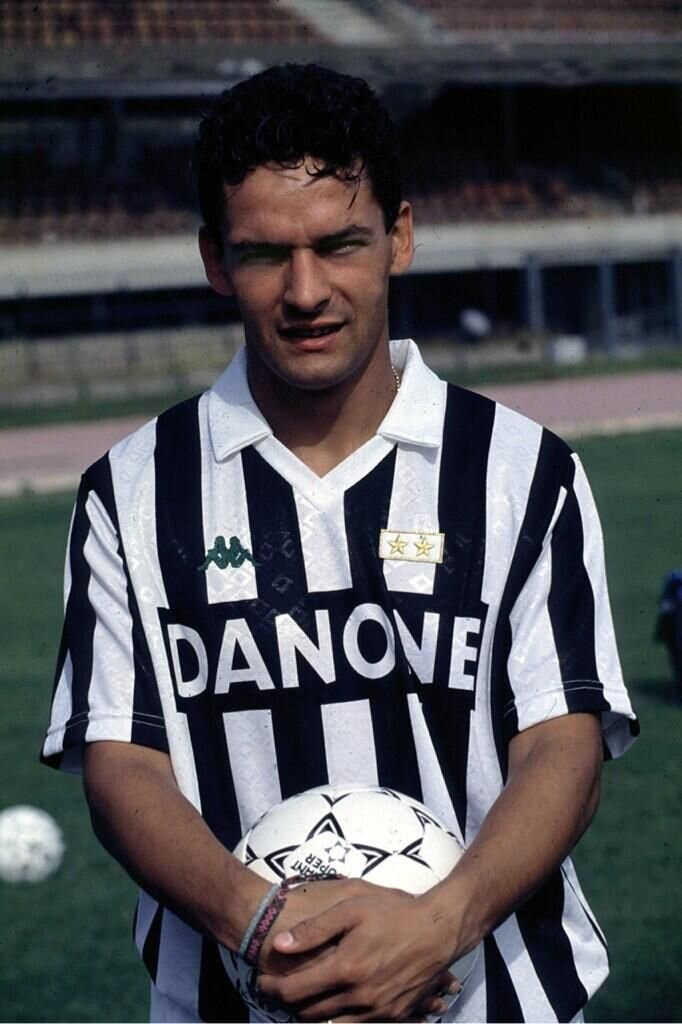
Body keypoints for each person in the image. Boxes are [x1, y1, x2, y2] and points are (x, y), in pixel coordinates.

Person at [42, 63, 638, 1023]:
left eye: (339, 243)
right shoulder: (134, 492)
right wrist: (260, 925)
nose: (306, 291)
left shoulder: (523, 471)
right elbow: (123, 766)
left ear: (399, 236)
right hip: (237, 1001)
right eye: (264, 254)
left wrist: (438, 926)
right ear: (214, 259)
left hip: (495, 1001)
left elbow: (561, 744)